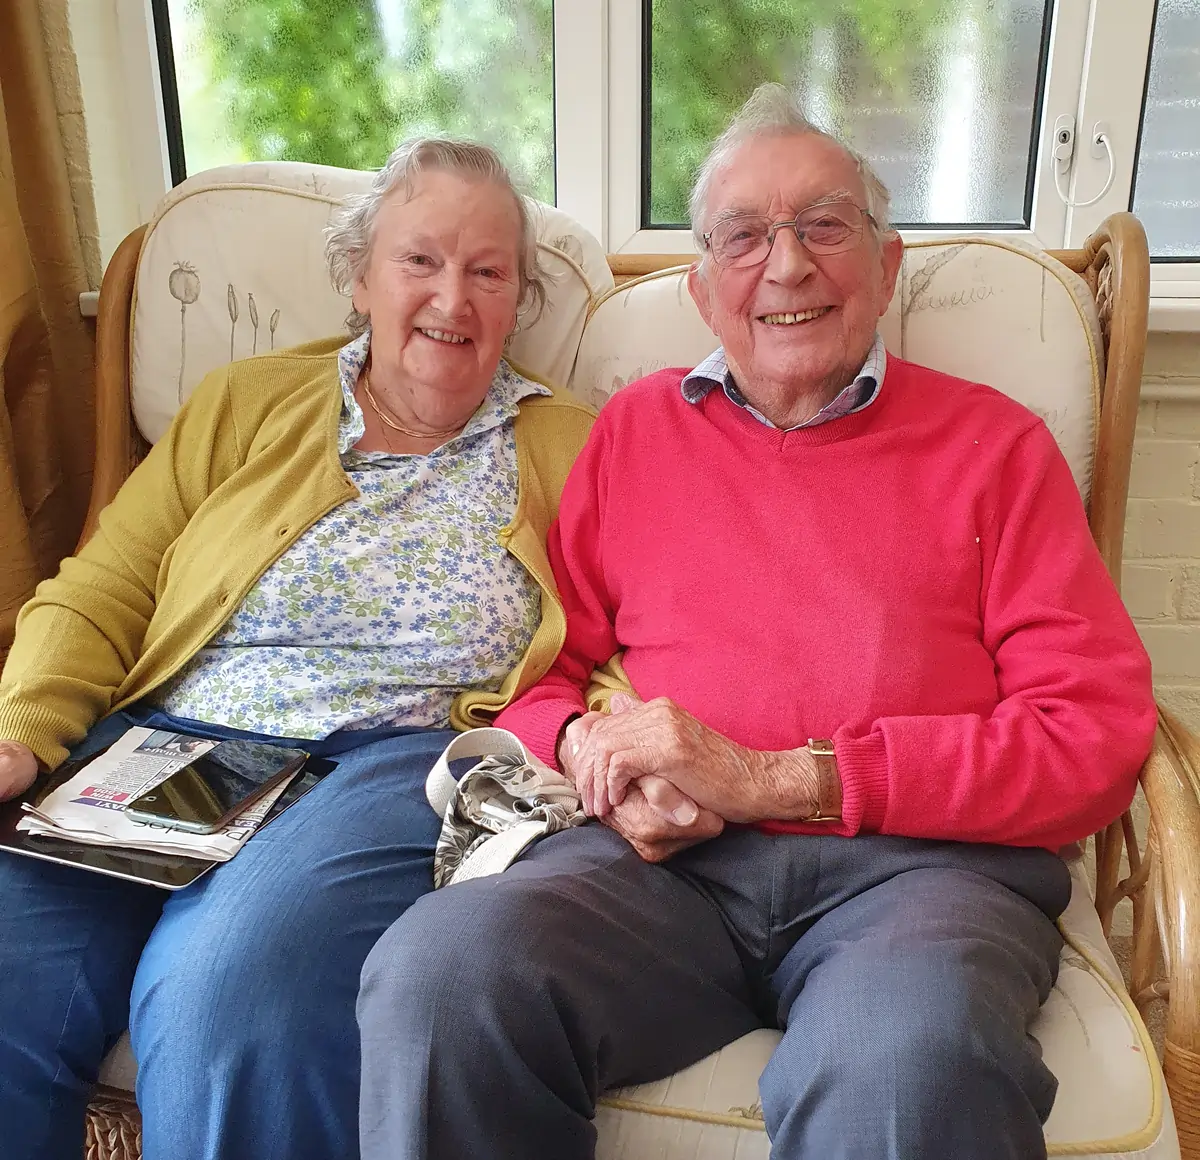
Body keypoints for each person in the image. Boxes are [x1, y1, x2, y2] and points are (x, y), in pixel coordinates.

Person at [357, 86, 1158, 1160]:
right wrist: (596, 753)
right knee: (440, 978)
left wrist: (789, 777)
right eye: (745, 237)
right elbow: (544, 677)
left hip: (920, 876)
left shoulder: (998, 450)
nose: (785, 266)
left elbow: (1092, 737)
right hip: (660, 873)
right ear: (701, 286)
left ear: (887, 265)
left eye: (823, 226)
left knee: (907, 1066)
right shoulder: (633, 434)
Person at [0, 136, 593, 1160]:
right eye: (420, 259)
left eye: (488, 270)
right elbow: (106, 583)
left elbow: (631, 629)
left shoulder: (573, 444)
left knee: (238, 993)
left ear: (517, 298)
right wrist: (22, 730)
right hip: (182, 744)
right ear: (359, 278)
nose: (452, 296)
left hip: (383, 761)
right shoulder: (243, 403)